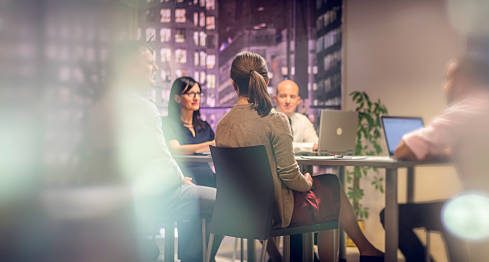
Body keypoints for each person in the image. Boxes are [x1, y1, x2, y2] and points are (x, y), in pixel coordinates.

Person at [215, 51, 383, 262]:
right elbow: (288, 174)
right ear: (266, 82)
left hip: (242, 209)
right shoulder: (275, 120)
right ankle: (362, 250)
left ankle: (279, 257)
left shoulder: (222, 125)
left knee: (326, 190)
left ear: (233, 84)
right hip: (276, 212)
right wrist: (306, 182)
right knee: (331, 185)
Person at [381, 52, 489, 262]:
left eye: (447, 78)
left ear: (463, 80)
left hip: (481, 207)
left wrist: (428, 151)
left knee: (391, 215)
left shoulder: (464, 110)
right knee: (449, 215)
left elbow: (403, 150)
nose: (445, 85)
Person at [89, 41, 221, 262]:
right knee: (225, 202)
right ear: (130, 67)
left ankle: (196, 255)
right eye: (149, 63)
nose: (156, 68)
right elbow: (163, 158)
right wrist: (180, 179)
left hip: (131, 192)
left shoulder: (104, 106)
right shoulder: (144, 108)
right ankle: (195, 257)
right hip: (154, 193)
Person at [163, 76, 216, 187]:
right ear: (177, 98)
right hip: (186, 181)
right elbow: (176, 149)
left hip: (209, 178)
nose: (196, 98)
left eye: (198, 93)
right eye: (190, 94)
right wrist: (209, 145)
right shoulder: (168, 124)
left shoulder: (204, 127)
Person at [274, 79, 319, 152]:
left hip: (299, 163)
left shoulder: (303, 120)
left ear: (298, 101)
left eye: (292, 97)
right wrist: (308, 147)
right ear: (275, 99)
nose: (288, 101)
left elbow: (316, 145)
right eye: (283, 96)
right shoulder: (267, 119)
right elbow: (280, 147)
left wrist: (312, 146)